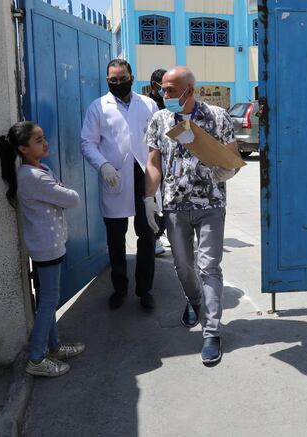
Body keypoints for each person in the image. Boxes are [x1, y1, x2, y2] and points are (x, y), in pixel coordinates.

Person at [143, 66, 240, 365]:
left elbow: (231, 158)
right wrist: (148, 197)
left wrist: (228, 170)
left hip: (210, 204)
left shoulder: (217, 117)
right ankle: (195, 301)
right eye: (162, 89)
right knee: (184, 267)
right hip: (175, 206)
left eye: (171, 90)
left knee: (209, 266)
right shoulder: (159, 120)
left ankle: (211, 331)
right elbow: (154, 162)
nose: (164, 94)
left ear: (190, 90)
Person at [0, 121, 85, 377]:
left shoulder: (38, 170)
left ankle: (53, 346)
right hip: (46, 247)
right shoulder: (32, 176)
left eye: (43, 137)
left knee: (49, 298)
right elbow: (72, 199)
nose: (45, 143)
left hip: (49, 244)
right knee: (48, 301)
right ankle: (36, 358)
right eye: (38, 141)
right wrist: (64, 188)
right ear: (23, 149)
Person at [81, 59, 159, 310]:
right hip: (114, 177)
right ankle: (120, 288)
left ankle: (144, 290)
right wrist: (102, 165)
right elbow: (87, 143)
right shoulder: (98, 107)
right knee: (116, 239)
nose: (118, 83)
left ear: (132, 77)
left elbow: (160, 141)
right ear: (107, 81)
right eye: (113, 80)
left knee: (147, 236)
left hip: (144, 176)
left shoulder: (148, 104)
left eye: (122, 78)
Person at [148, 68, 170, 254]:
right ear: (155, 85)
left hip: (170, 158)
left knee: (168, 197)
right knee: (155, 197)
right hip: (154, 158)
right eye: (163, 87)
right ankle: (155, 237)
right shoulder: (149, 104)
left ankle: (165, 230)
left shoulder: (169, 102)